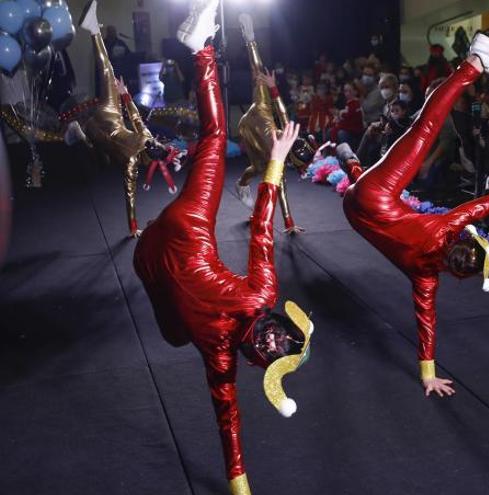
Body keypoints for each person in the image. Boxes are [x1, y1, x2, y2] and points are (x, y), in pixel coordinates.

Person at [133, 3, 313, 494]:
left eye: (276, 351)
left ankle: (201, 51)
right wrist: (275, 165)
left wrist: (239, 484)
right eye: (284, 338)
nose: (276, 341)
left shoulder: (221, 356)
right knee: (214, 139)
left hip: (151, 257)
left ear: (261, 361)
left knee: (173, 335)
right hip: (184, 232)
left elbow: (226, 413)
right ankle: (203, 49)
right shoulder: (261, 295)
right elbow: (261, 228)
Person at [343, 34, 489, 397]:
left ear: (466, 241)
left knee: (425, 128)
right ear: (453, 272)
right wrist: (428, 374)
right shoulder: (425, 277)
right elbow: (425, 321)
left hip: (376, 196)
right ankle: (350, 163)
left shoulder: (447, 226)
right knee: (390, 180)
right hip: (356, 214)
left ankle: (474, 63)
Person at [77, 1, 176, 238]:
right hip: (105, 124)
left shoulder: (145, 140)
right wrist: (133, 228)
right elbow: (129, 195)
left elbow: (136, 118)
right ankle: (93, 29)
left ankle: (94, 31)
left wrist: (124, 95)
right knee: (108, 71)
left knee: (107, 70)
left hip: (107, 121)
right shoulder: (133, 162)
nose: (153, 141)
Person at [235, 13, 299, 233]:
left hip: (248, 129)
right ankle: (249, 38)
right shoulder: (286, 132)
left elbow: (280, 190)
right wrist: (272, 88)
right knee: (259, 71)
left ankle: (242, 185)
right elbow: (282, 113)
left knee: (261, 170)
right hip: (260, 113)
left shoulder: (278, 161)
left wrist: (289, 223)